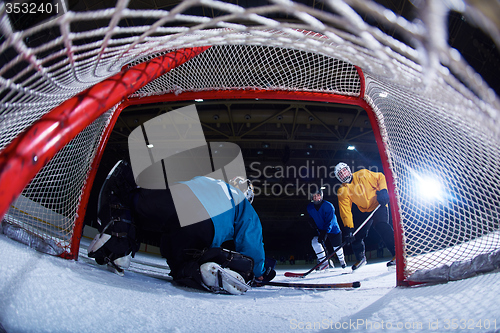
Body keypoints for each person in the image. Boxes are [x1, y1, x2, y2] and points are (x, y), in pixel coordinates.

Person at [88, 161, 276, 295]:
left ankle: (118, 241)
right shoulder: (244, 204)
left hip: (175, 199)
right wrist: (257, 272)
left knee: (127, 197)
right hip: (202, 226)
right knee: (184, 268)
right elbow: (251, 242)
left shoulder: (210, 181)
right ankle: (199, 271)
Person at [334, 162, 396, 271]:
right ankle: (360, 258)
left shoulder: (362, 174)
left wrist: (383, 191)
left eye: (344, 171)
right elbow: (345, 211)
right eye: (340, 174)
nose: (343, 174)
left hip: (378, 204)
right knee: (355, 234)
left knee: (381, 226)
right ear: (338, 177)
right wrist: (348, 228)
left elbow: (380, 177)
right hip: (364, 210)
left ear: (348, 170)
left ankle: (397, 254)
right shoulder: (342, 190)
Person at [306, 188, 346, 271]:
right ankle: (324, 263)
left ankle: (342, 260)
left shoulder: (328, 206)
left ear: (321, 195)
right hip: (321, 229)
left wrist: (325, 232)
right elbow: (311, 217)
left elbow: (330, 221)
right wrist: (311, 222)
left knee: (337, 248)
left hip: (333, 230)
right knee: (315, 242)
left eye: (318, 195)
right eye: (314, 196)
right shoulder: (310, 207)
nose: (316, 198)